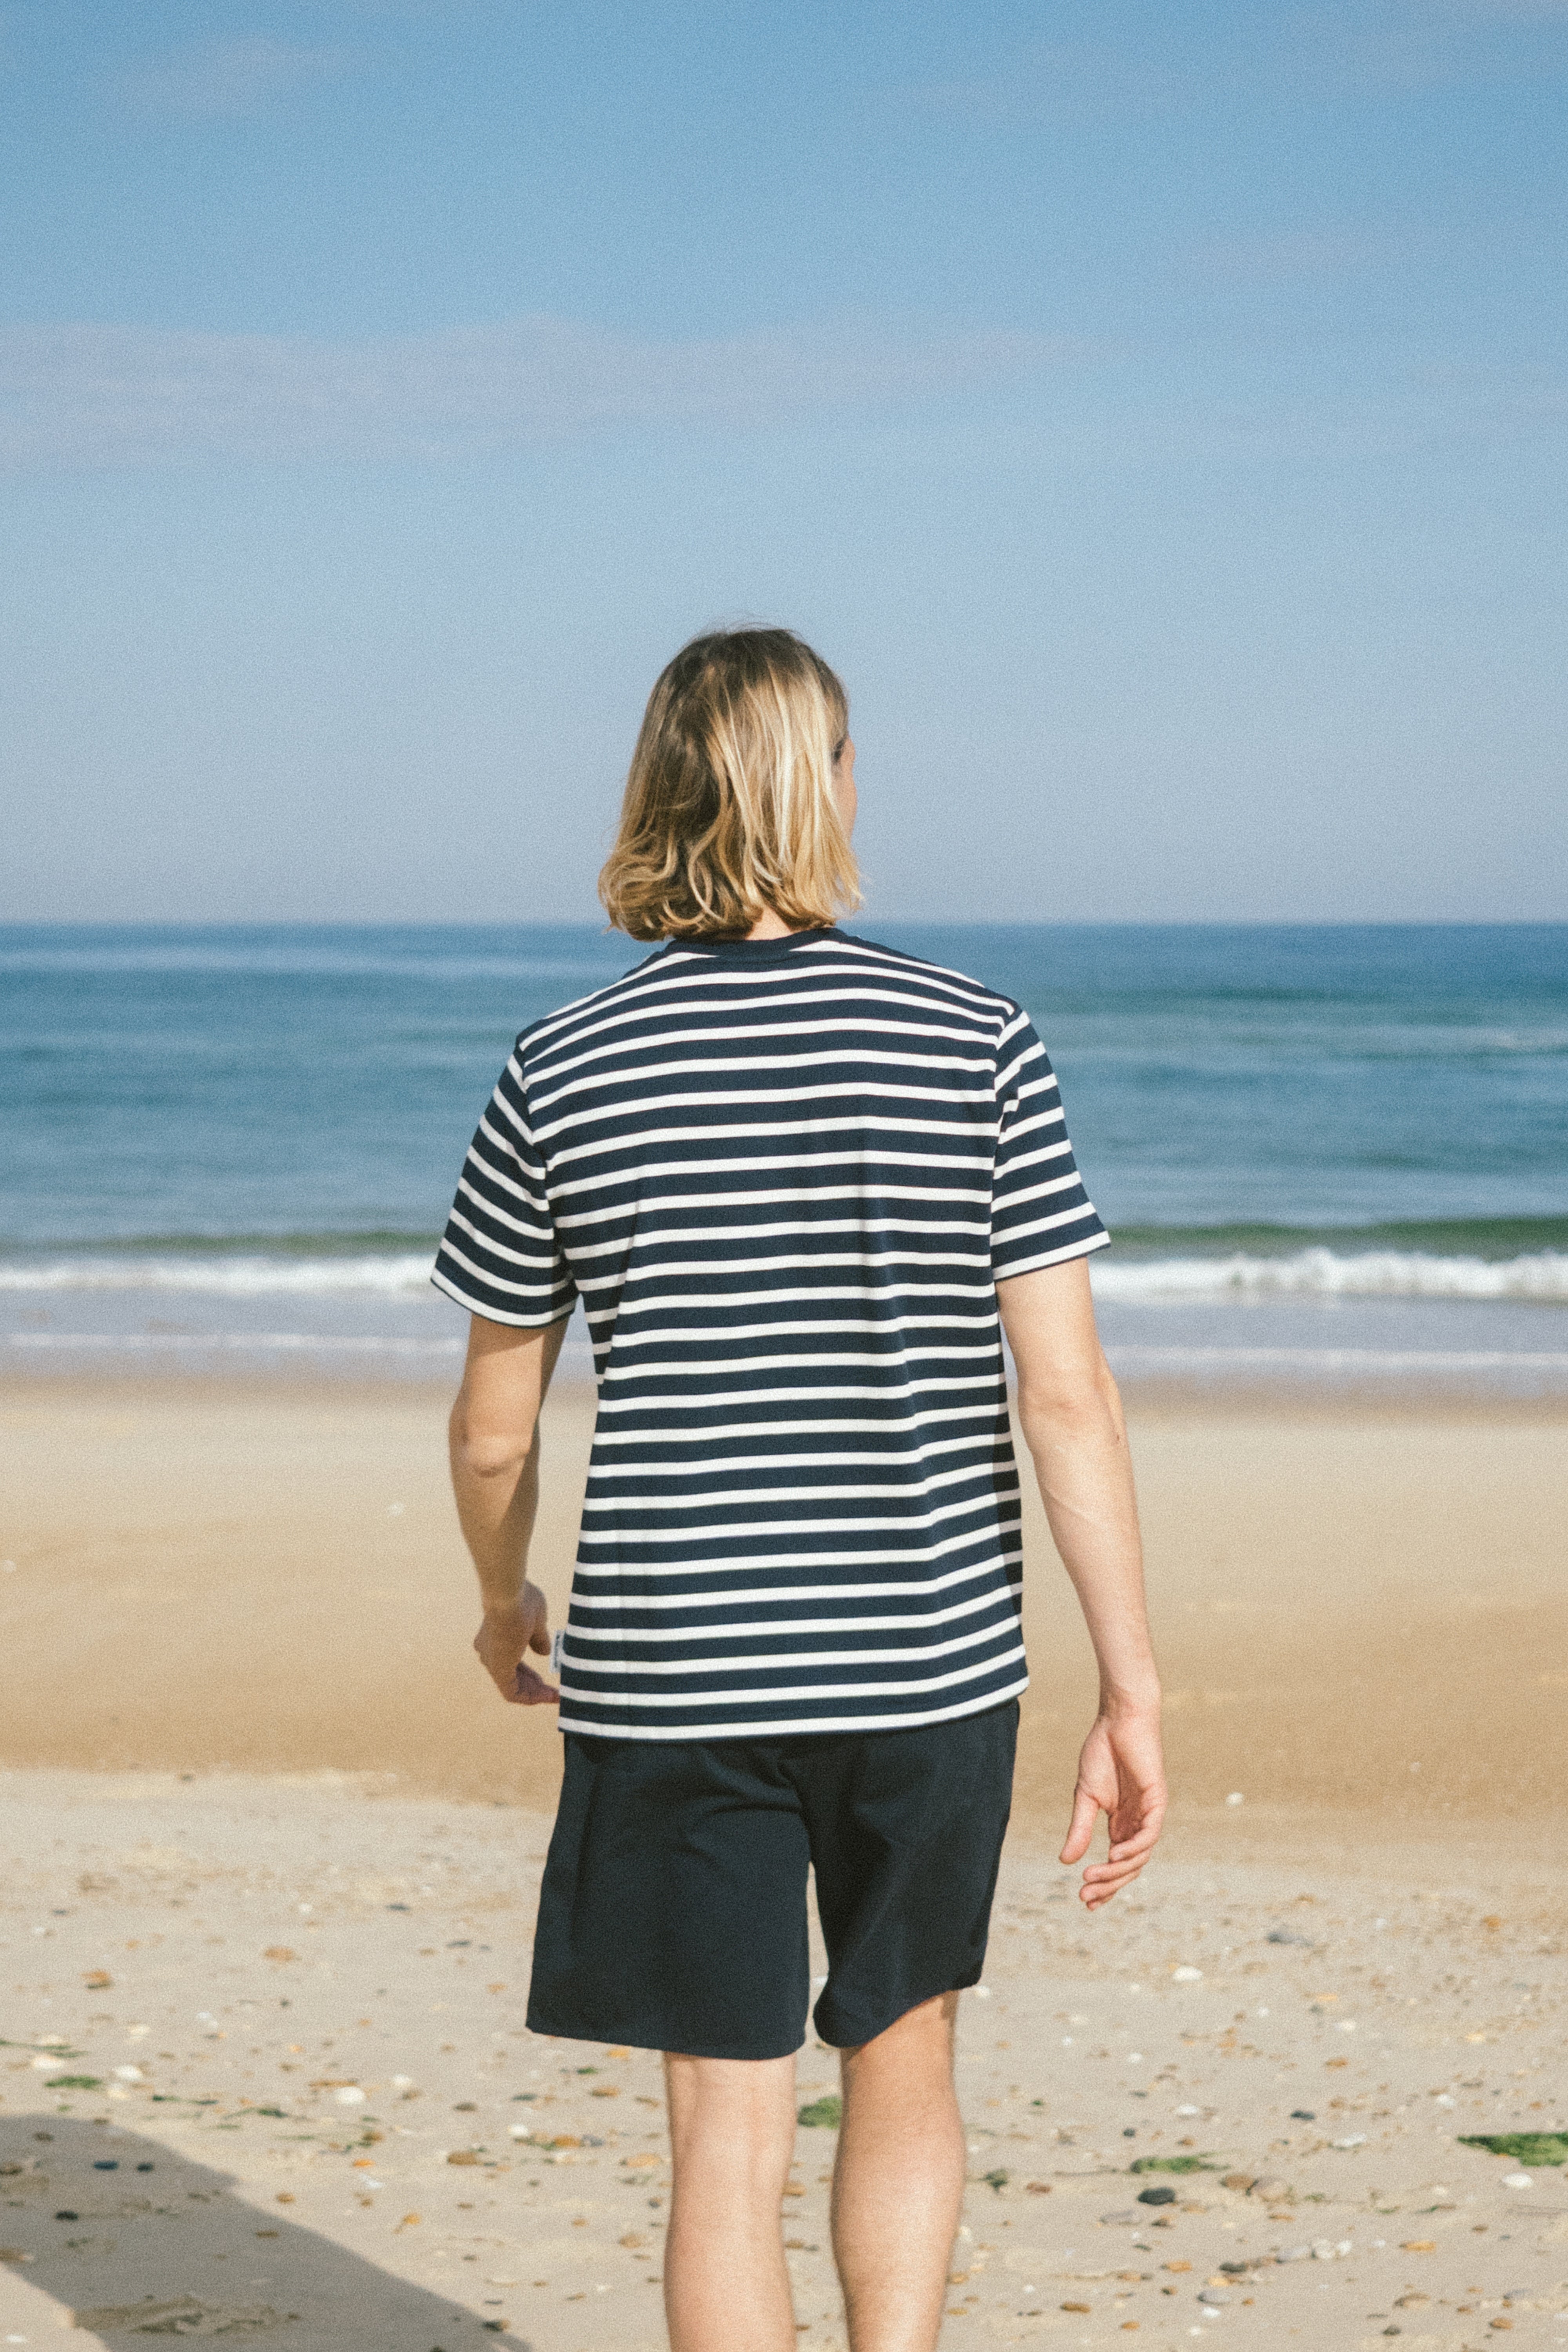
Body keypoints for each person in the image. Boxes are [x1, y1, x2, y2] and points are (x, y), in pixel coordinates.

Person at [433, 628, 1165, 2352]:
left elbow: (490, 1426)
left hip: (678, 1667)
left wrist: (498, 1598)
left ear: (658, 789)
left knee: (723, 2128)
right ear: (821, 782)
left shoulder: (564, 1063)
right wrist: (1131, 1685)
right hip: (925, 1665)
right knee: (903, 2061)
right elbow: (1066, 1395)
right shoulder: (972, 1037)